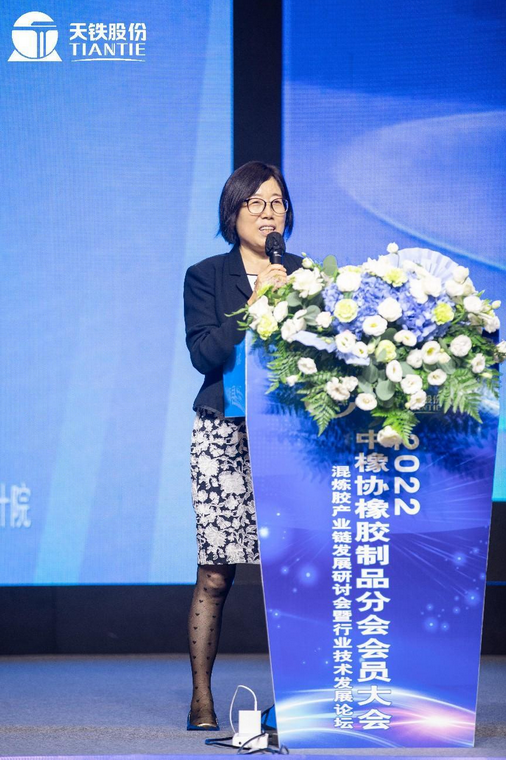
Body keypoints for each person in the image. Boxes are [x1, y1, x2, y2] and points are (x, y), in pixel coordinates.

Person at [183, 161, 302, 730]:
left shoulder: (305, 274)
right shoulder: (206, 275)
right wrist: (255, 305)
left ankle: (299, 698)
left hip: (290, 435)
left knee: (299, 570)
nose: (268, 213)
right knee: (217, 571)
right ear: (233, 214)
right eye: (255, 203)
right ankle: (202, 697)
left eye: (277, 202)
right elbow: (204, 354)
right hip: (224, 434)